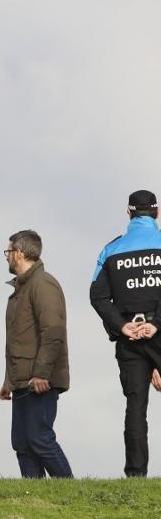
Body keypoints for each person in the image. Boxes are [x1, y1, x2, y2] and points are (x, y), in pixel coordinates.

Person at [90, 189, 161, 477]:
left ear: (128, 213)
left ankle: (135, 475)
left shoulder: (111, 250)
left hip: (129, 338)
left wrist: (121, 325)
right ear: (156, 212)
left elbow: (97, 296)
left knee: (135, 408)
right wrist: (156, 324)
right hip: (157, 330)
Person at [0, 229, 73, 478]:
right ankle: (36, 501)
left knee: (39, 438)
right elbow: (20, 339)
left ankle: (71, 494)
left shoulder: (43, 284)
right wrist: (9, 381)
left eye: (8, 251)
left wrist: (42, 374)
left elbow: (53, 332)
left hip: (39, 379)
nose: (7, 257)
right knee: (22, 442)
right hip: (22, 379)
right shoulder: (23, 287)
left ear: (19, 253)